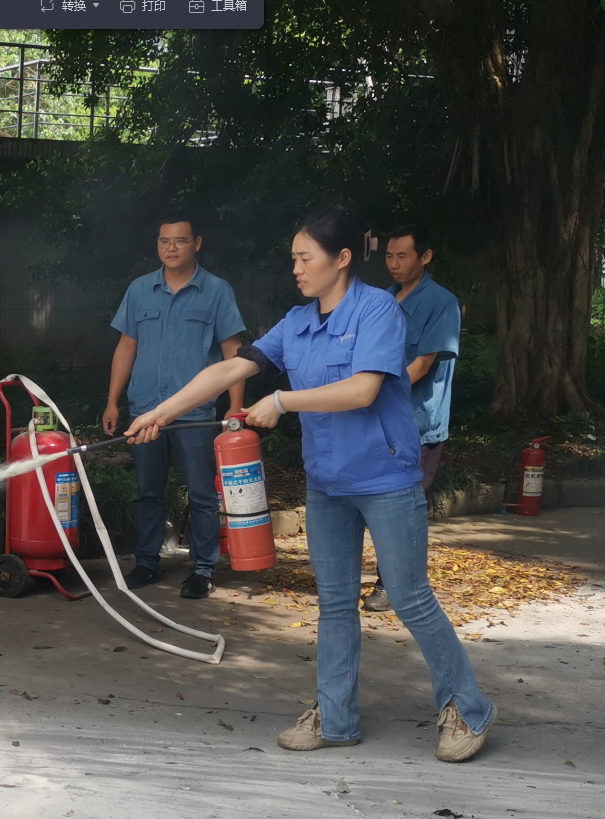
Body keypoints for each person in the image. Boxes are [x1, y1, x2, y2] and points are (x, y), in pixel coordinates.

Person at [123, 208, 493, 762]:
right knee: (336, 603)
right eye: (293, 258)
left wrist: (281, 401)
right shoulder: (297, 322)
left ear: (342, 258)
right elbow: (230, 369)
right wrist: (161, 412)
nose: (295, 268)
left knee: (410, 599)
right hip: (327, 483)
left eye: (304, 258)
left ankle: (468, 709)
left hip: (385, 477)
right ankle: (336, 718)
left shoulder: (378, 311)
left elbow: (363, 390)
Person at [101, 212, 247, 599]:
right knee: (148, 490)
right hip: (145, 409)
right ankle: (146, 562)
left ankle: (203, 569)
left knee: (201, 493)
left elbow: (234, 353)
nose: (171, 248)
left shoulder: (217, 291)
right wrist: (112, 401)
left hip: (195, 414)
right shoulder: (139, 290)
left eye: (180, 240)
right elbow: (126, 348)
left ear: (196, 244)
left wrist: (235, 407)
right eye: (164, 241)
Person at [363, 224, 460, 613]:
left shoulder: (442, 303)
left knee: (403, 508)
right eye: (389, 256)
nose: (393, 263)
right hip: (376, 419)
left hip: (418, 424)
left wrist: (367, 390)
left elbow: (421, 365)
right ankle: (396, 580)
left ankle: (394, 586)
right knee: (379, 504)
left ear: (425, 257)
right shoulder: (381, 301)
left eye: (402, 256)